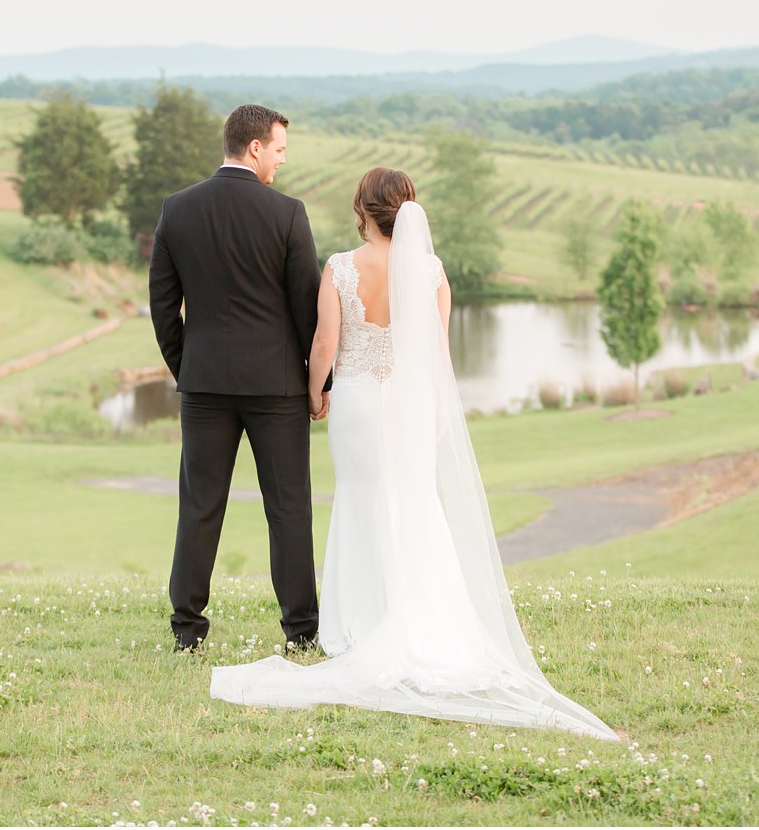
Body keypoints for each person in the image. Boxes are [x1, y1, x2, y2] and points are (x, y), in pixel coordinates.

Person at [209, 167, 619, 739]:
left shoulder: (340, 268)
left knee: (359, 499)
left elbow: (325, 342)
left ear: (361, 209)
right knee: (414, 502)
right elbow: (436, 351)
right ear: (408, 211)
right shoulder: (431, 273)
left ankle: (359, 625)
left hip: (353, 402)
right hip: (410, 403)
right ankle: (425, 619)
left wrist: (313, 390)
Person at [148, 104, 325, 653]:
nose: (280, 160)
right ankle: (302, 632)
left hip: (204, 386)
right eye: (278, 149)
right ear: (254, 148)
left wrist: (188, 367)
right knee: (288, 507)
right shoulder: (288, 214)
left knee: (200, 504)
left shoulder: (177, 210)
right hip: (277, 388)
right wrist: (317, 382)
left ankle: (187, 632)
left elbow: (161, 304)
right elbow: (308, 309)